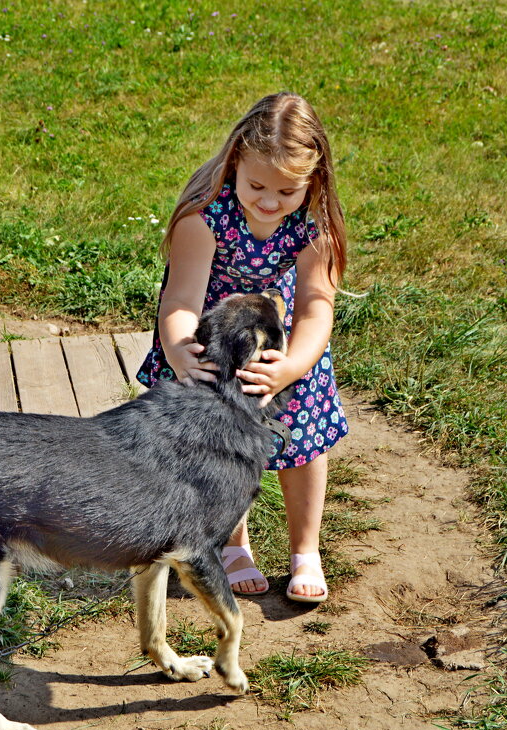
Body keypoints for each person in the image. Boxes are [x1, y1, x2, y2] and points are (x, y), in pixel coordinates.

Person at [137, 92, 349, 603]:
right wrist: (180, 348)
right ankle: (233, 547)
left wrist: (294, 366)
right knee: (219, 444)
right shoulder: (204, 216)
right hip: (219, 345)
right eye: (256, 185)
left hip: (284, 345)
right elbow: (182, 298)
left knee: (303, 442)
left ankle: (306, 550)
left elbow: (318, 308)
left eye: (287, 190)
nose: (270, 201)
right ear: (235, 162)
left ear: (313, 181)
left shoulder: (314, 226)